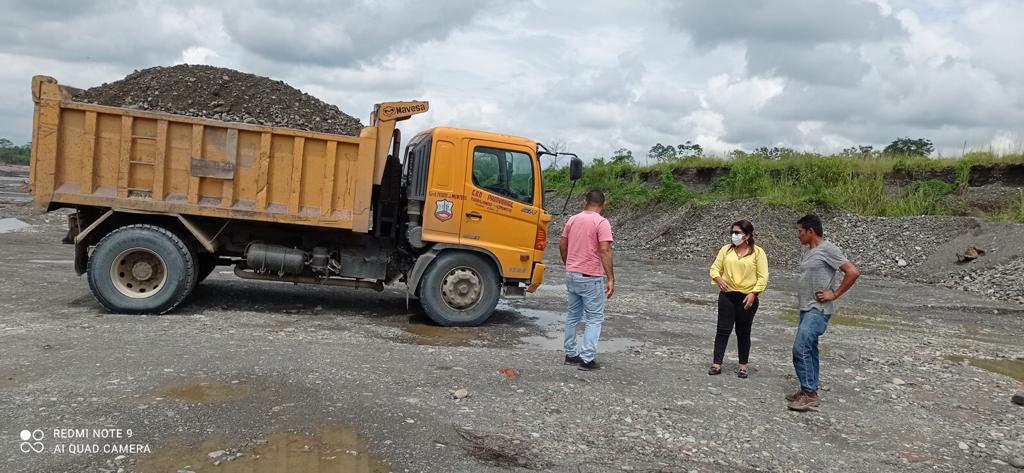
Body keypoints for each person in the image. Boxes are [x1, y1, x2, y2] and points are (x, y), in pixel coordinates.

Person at [787, 214, 860, 411]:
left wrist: (834, 294)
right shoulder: (810, 251)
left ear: (811, 231)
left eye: (800, 231)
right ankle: (808, 389)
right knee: (810, 349)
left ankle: (809, 394)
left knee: (800, 348)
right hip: (806, 308)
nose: (798, 235)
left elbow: (852, 272)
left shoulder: (828, 249)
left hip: (817, 309)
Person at [559, 190, 614, 371]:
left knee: (573, 315)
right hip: (590, 277)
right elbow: (604, 250)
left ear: (585, 202)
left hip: (571, 274)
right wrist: (611, 278)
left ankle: (570, 354)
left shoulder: (573, 219)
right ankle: (587, 359)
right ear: (603, 204)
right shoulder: (602, 222)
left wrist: (569, 264)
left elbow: (562, 244)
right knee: (594, 318)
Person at [708, 220, 769, 379]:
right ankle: (717, 363)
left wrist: (754, 293)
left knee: (743, 331)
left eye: (737, 233)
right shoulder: (726, 250)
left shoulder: (758, 253)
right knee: (723, 329)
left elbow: (763, 277)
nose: (734, 235)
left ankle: (743, 366)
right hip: (727, 295)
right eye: (732, 232)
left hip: (747, 297)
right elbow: (715, 268)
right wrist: (718, 278)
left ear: (747, 235)